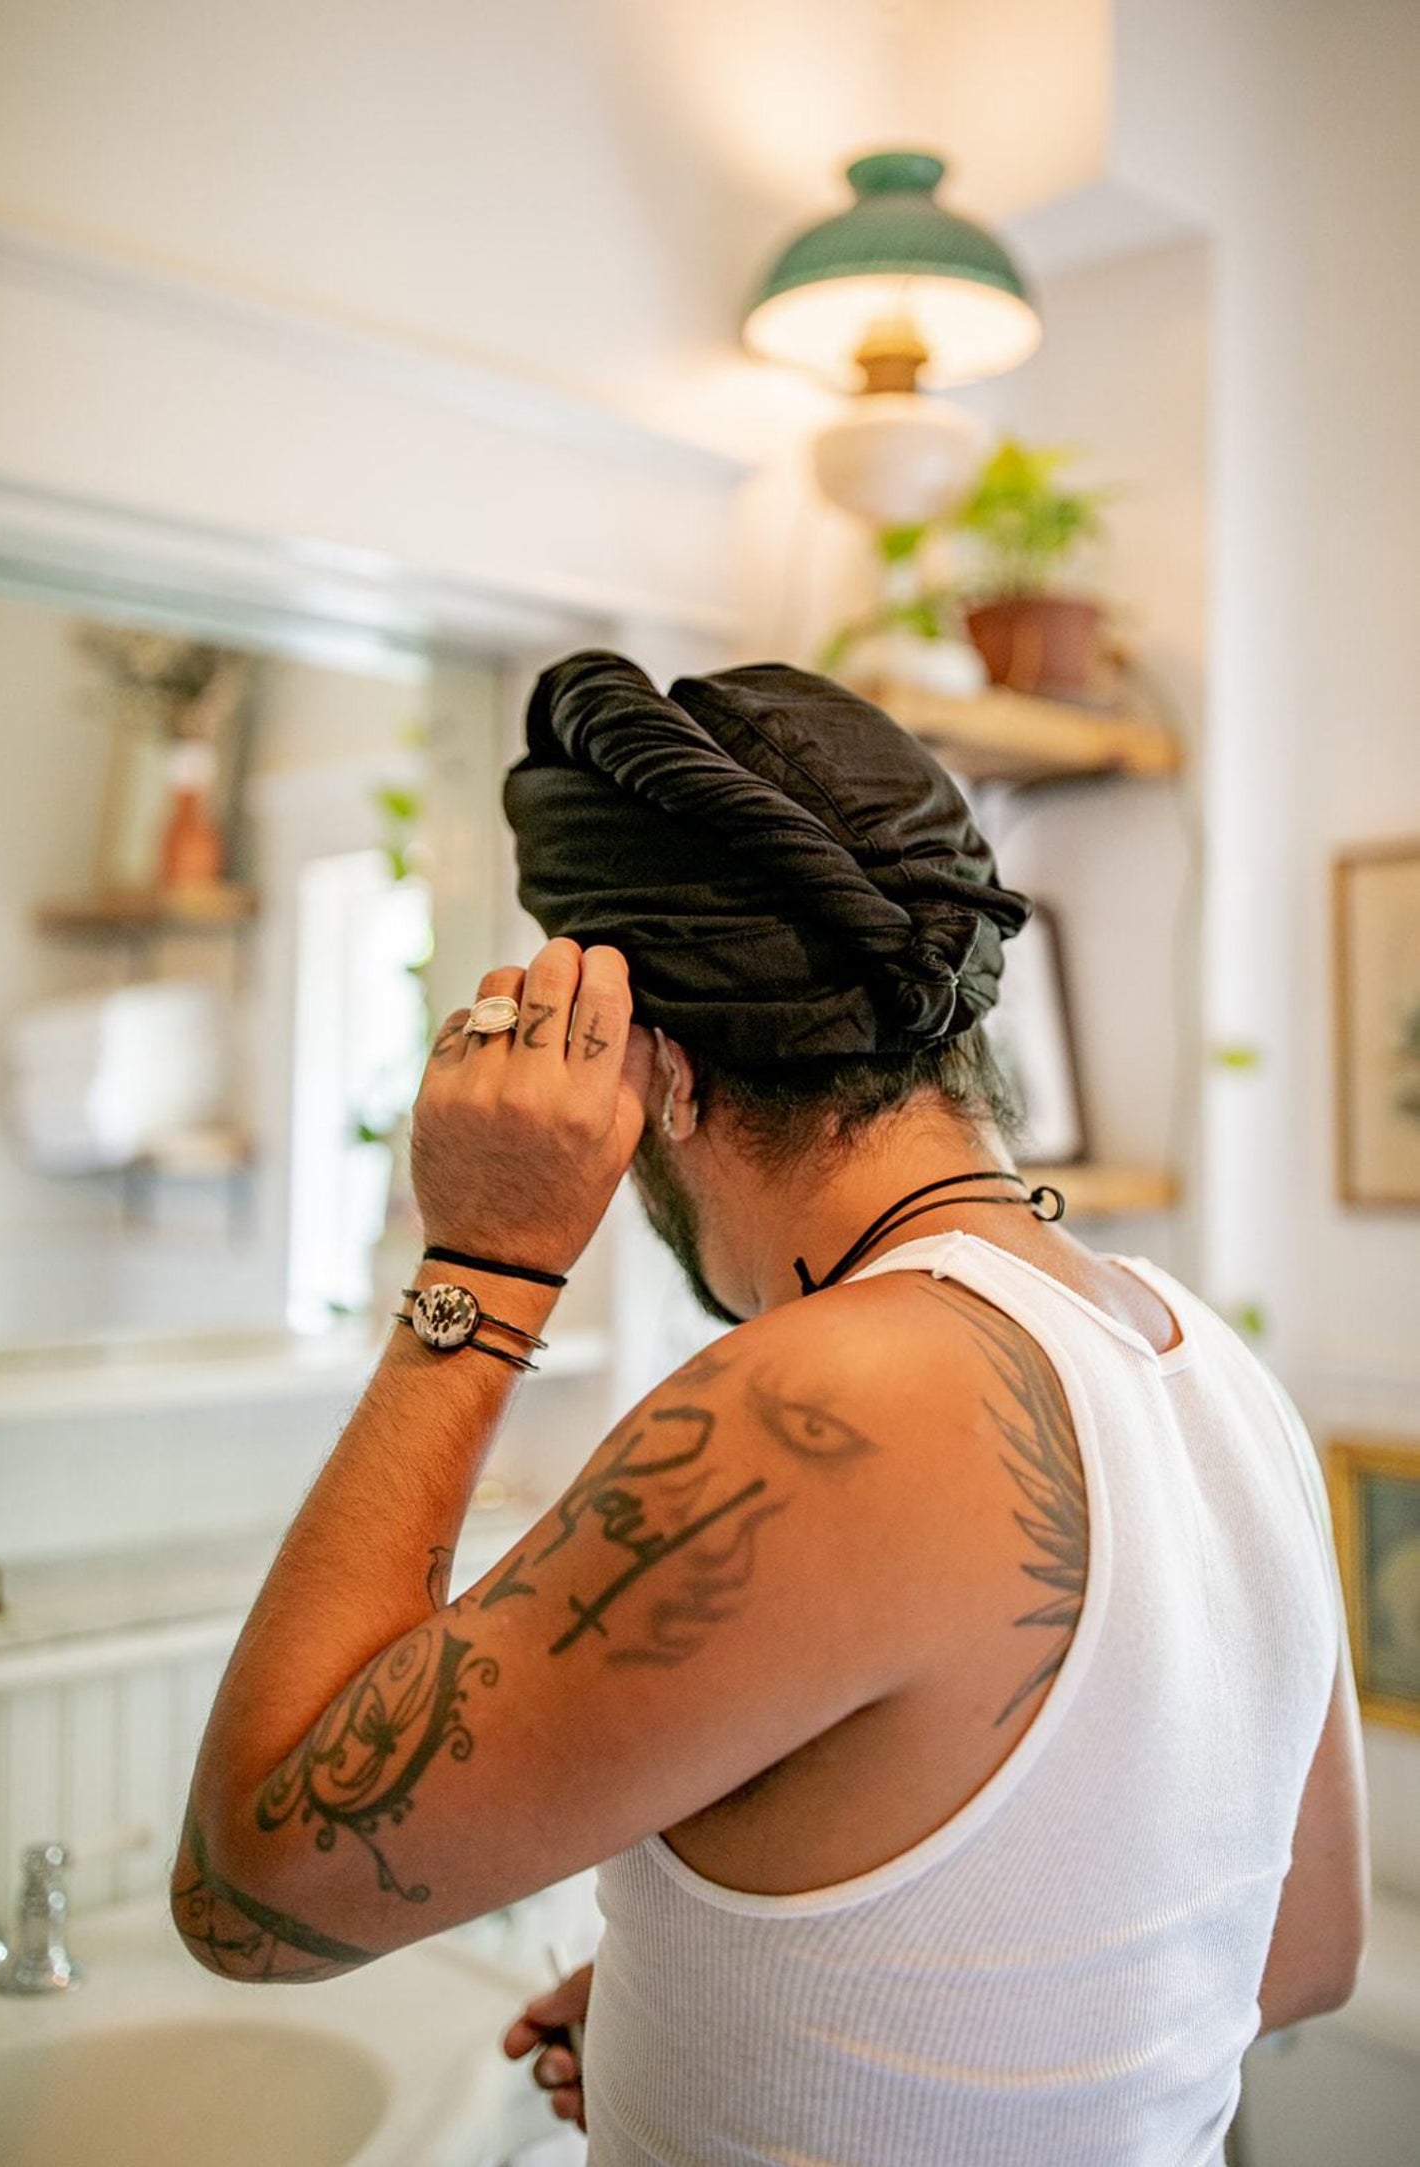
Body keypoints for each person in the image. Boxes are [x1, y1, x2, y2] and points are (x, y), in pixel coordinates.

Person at [174, 653, 1367, 2166]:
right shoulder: (1203, 1359)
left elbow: (247, 1892)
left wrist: (481, 1262)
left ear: (655, 1074)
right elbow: (1292, 1950)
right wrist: (747, 1996)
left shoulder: (826, 1400)